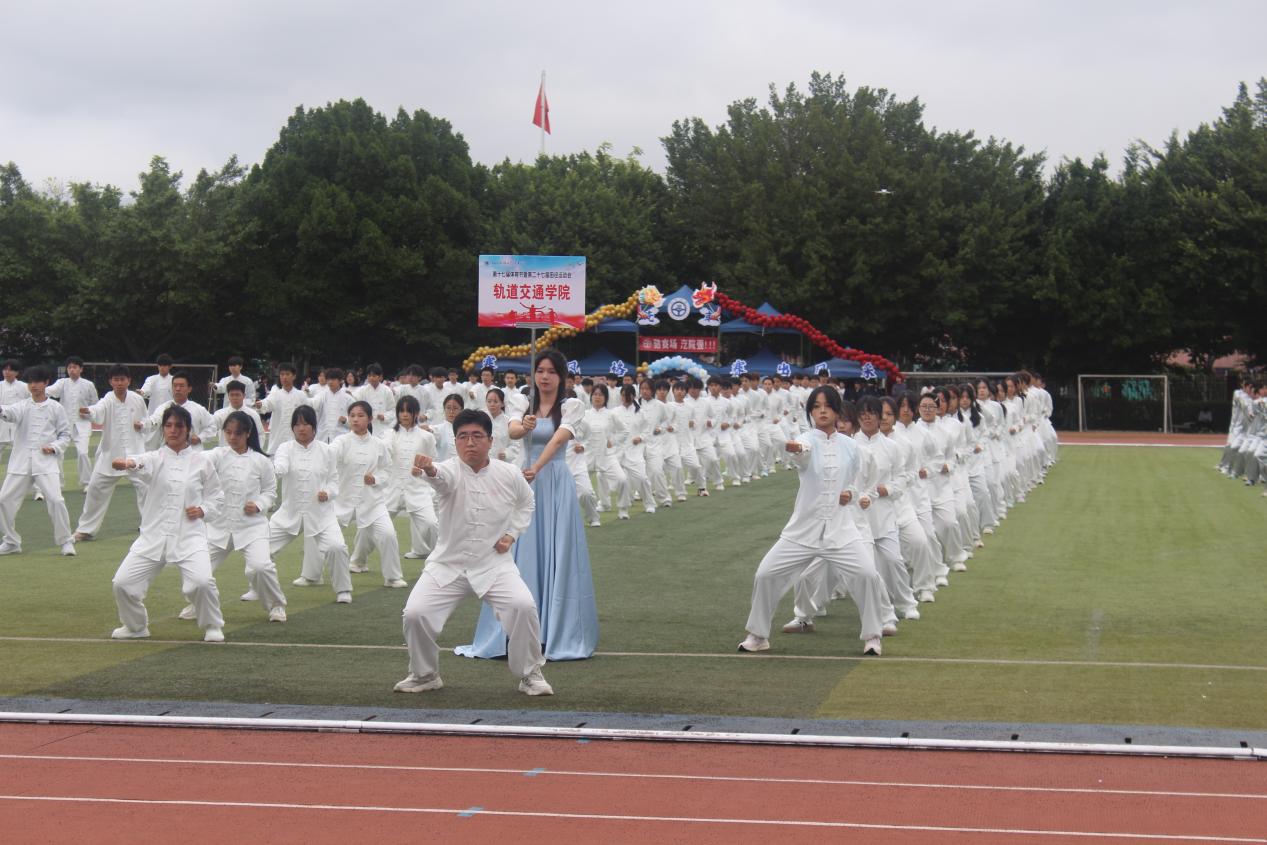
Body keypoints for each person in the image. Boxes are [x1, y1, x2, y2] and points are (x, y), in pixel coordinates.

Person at [395, 408, 552, 696]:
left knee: (523, 606)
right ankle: (424, 674)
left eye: (477, 436)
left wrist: (511, 534)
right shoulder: (449, 469)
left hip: (494, 564)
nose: (470, 442)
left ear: (491, 441)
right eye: (463, 436)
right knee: (415, 613)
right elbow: (440, 478)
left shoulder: (508, 473)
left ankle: (530, 673)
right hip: (447, 564)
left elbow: (526, 502)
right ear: (455, 441)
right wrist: (429, 469)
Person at [456, 349, 598, 661]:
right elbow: (512, 432)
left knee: (558, 552)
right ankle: (513, 630)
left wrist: (537, 466)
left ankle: (554, 632)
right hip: (525, 482)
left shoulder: (571, 405)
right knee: (522, 552)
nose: (544, 377)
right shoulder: (522, 402)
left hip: (554, 480)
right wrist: (526, 426)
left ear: (561, 377)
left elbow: (559, 439)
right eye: (540, 371)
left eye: (551, 371)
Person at [738, 386, 887, 656]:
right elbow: (803, 453)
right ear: (810, 412)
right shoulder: (806, 440)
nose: (822, 411)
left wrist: (850, 494)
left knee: (867, 574)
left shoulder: (851, 447)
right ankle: (758, 636)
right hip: (803, 530)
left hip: (841, 531)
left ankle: (873, 637)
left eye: (827, 406)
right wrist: (795, 449)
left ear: (837, 411)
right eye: (816, 407)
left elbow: (856, 482)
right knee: (765, 574)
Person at [109, 404, 226, 642]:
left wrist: (203, 509)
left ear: (188, 430)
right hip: (153, 536)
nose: (173, 430)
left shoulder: (201, 462)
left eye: (179, 426)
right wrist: (129, 463)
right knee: (122, 583)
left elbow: (217, 497)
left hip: (189, 536)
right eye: (169, 426)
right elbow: (139, 463)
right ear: (162, 429)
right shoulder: (155, 458)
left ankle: (213, 625)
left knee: (202, 582)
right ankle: (135, 627)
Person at [198, 411, 287, 621]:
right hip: (219, 526)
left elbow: (270, 492)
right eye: (228, 432)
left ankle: (276, 605)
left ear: (247, 434)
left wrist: (258, 505)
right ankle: (199, 604)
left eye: (237, 433)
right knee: (198, 572)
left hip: (251, 526)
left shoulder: (261, 461)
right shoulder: (217, 456)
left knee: (260, 567)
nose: (232, 437)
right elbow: (194, 460)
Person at [269, 405, 354, 603]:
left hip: (321, 514)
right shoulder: (285, 448)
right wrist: (275, 470)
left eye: (306, 424)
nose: (301, 428)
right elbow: (280, 466)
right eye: (297, 424)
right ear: (292, 427)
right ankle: (259, 587)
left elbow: (334, 481)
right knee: (261, 548)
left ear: (314, 427)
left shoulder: (326, 451)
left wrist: (328, 493)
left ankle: (343, 590)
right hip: (289, 513)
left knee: (336, 547)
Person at [0, 365, 75, 556]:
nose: (33, 385)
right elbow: (8, 413)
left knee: (56, 500)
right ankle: (11, 541)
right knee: (3, 500)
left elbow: (65, 434)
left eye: (37, 382)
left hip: (46, 462)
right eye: (30, 382)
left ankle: (66, 542)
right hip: (21, 462)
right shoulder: (22, 405)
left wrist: (54, 447)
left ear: (46, 383)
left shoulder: (56, 408)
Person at [74, 364, 148, 542]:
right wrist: (89, 411)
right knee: (95, 489)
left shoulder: (137, 400)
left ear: (129, 381)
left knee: (147, 488)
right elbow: (98, 410)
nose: (119, 383)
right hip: (111, 454)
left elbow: (146, 419)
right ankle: (86, 530)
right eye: (116, 380)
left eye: (122, 379)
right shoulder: (108, 399)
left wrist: (142, 425)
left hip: (135, 453)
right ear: (110, 382)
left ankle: (149, 526)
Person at [336, 401, 405, 587]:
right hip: (342, 500)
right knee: (322, 533)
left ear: (369, 419)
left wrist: (375, 479)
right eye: (352, 415)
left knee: (388, 534)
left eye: (360, 415)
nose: (355, 419)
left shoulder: (378, 445)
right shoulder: (340, 442)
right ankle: (312, 574)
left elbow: (387, 471)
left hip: (372, 502)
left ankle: (393, 577)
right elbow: (328, 459)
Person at [385, 395, 439, 561]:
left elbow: (431, 462)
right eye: (401, 411)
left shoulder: (426, 437)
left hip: (417, 488)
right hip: (392, 488)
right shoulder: (389, 434)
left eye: (409, 411)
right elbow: (384, 453)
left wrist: (422, 471)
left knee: (430, 523)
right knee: (374, 525)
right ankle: (358, 560)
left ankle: (441, 559)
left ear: (416, 413)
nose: (405, 414)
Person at [46, 355, 99, 490]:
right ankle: (58, 484)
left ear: (81, 369)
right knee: (58, 453)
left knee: (83, 453)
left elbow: (96, 405)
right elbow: (50, 391)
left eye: (74, 367)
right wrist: (37, 389)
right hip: (64, 424)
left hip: (83, 423)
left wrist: (88, 411)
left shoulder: (88, 384)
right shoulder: (62, 383)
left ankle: (86, 483)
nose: (72, 370)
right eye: (69, 367)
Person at [143, 371, 216, 450]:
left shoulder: (198, 409)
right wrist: (142, 424)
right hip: (168, 451)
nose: (178, 389)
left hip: (192, 451)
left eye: (181, 386)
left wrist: (200, 438)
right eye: (175, 386)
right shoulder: (163, 408)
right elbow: (154, 421)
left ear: (189, 389)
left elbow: (212, 426)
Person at [255, 362, 310, 455]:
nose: (284, 377)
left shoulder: (301, 395)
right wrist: (260, 405)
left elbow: (308, 413)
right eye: (282, 374)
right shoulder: (276, 394)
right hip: (278, 436)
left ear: (294, 376)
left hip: (296, 436)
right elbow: (267, 403)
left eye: (287, 374)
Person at [211, 381, 263, 447]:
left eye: (237, 395)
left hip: (247, 451)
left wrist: (254, 449)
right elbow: (210, 427)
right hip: (225, 451)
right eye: (232, 395)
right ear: (228, 396)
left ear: (244, 396)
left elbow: (260, 434)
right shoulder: (220, 414)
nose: (234, 398)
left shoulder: (253, 414)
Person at [0, 359, 30, 466]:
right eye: (5, 369)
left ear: (17, 372)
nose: (7, 372)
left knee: (22, 457)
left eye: (10, 370)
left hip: (18, 425)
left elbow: (31, 402)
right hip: (1, 425)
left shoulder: (24, 386)